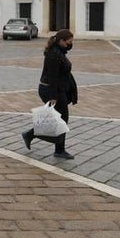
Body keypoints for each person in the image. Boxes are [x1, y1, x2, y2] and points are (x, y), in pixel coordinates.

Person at [21, 29, 77, 159]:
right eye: (69, 42)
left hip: (58, 89)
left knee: (59, 119)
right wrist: (53, 97)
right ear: (62, 41)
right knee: (61, 120)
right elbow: (52, 77)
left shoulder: (60, 51)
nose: (71, 44)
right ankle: (57, 149)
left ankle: (33, 136)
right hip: (51, 90)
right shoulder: (54, 55)